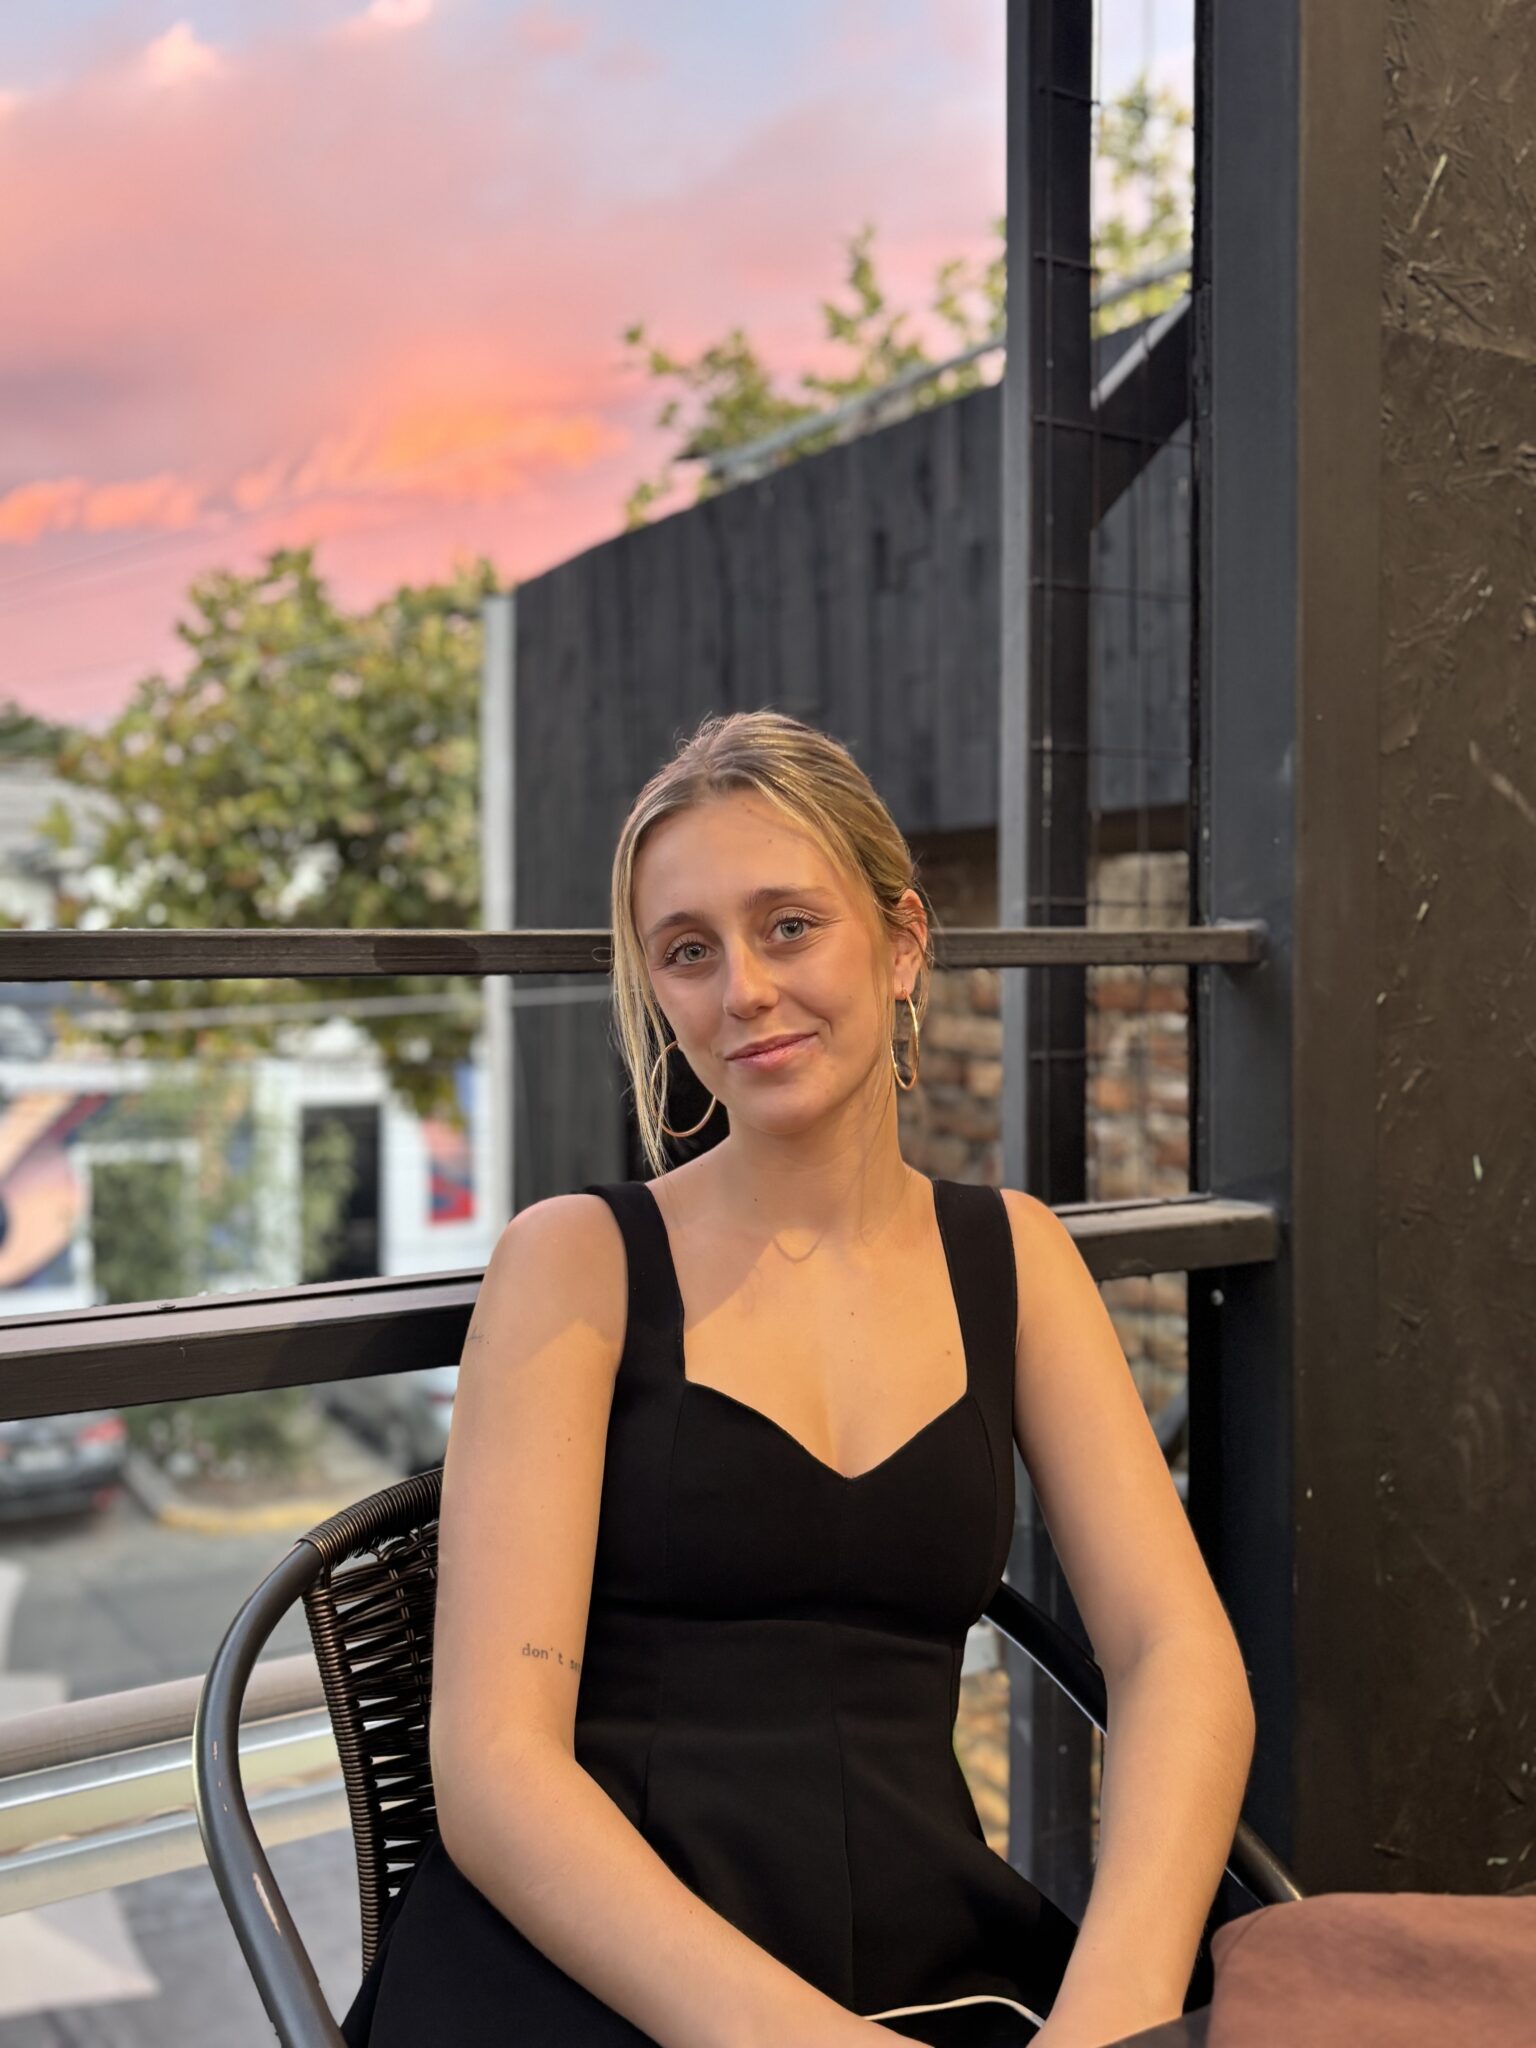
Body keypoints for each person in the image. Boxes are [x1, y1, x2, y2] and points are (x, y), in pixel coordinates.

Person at [339, 710, 1256, 2048]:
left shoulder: (1015, 1259)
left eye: (788, 927)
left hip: (926, 1952)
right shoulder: (578, 1261)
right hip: (592, 1972)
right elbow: (494, 1769)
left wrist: (1115, 2004)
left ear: (902, 940)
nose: (745, 993)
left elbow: (1177, 1655)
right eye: (688, 952)